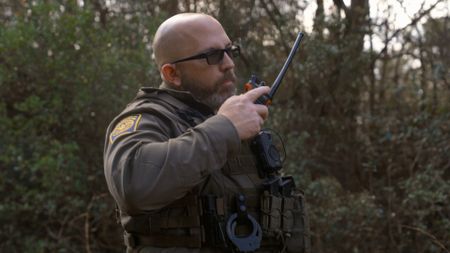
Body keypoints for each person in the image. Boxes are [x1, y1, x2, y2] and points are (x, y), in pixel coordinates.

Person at [104, 13, 309, 253]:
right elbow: (133, 184)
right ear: (172, 74)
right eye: (212, 56)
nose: (229, 63)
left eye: (230, 50)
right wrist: (226, 127)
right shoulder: (148, 118)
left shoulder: (224, 114)